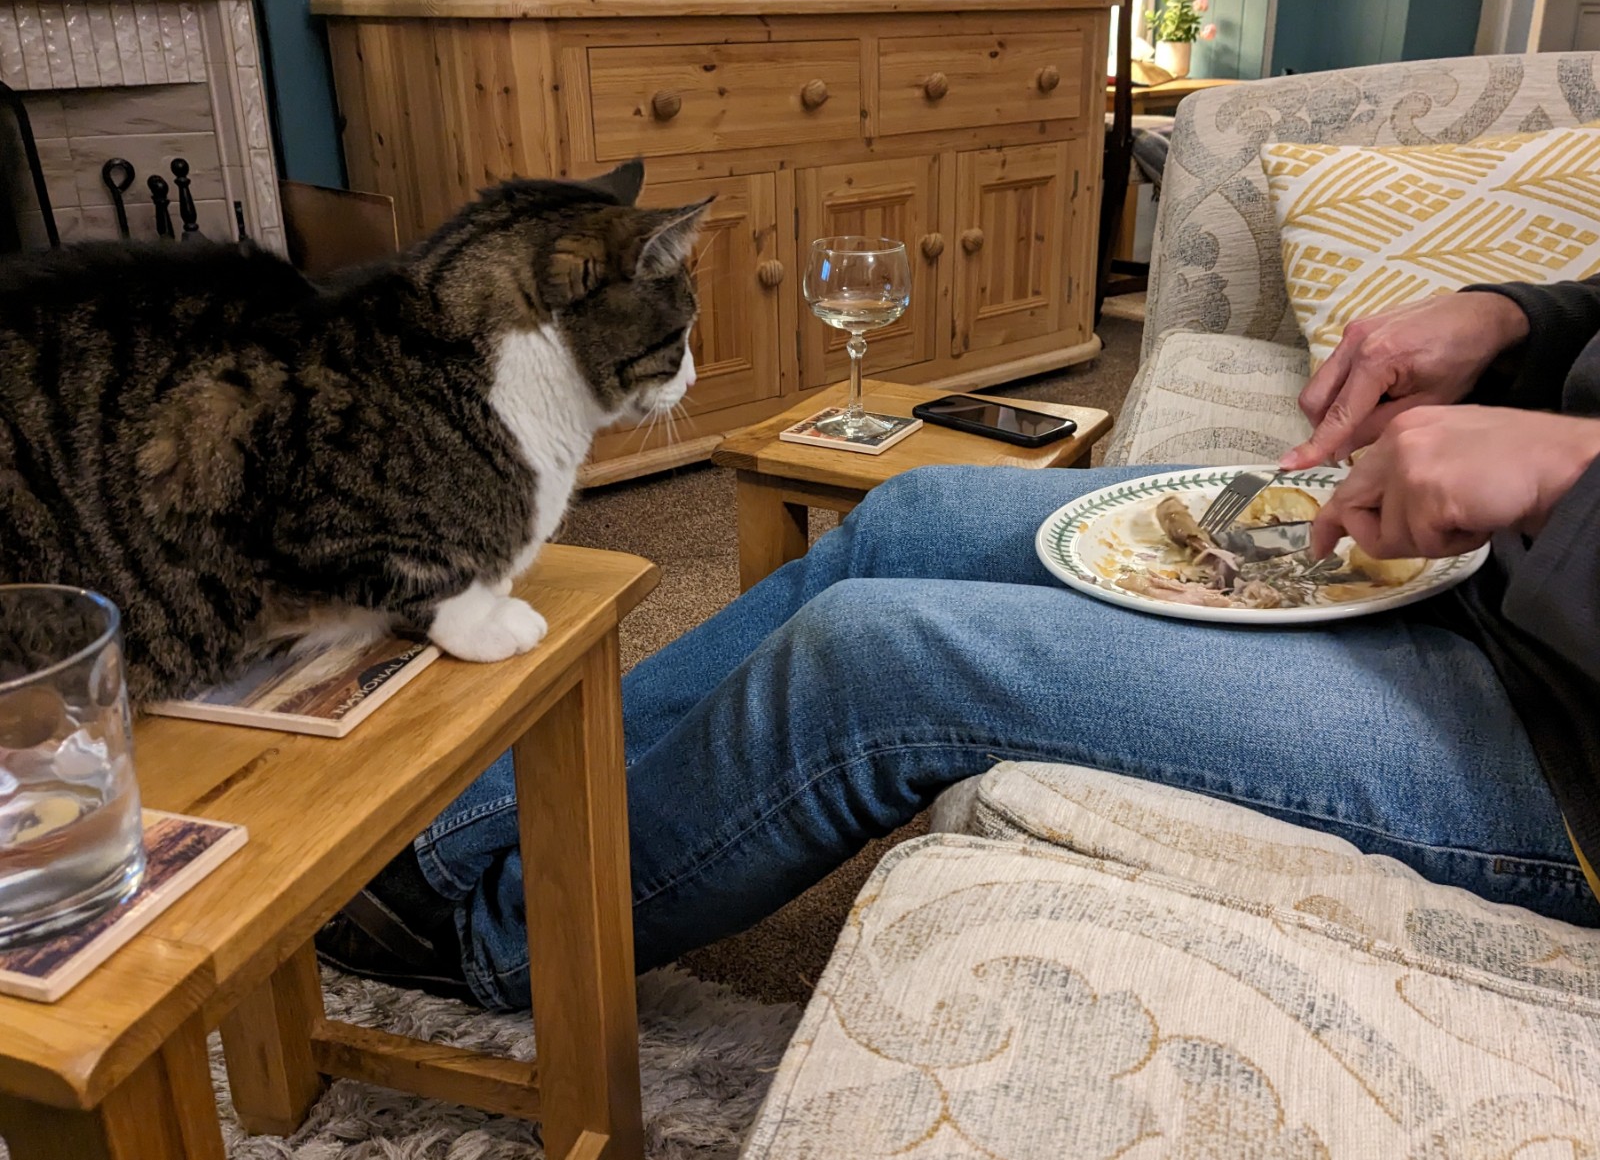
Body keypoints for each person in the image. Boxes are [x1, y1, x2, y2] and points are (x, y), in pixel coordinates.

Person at [318, 276, 1600, 1011]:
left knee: (875, 661)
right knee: (913, 513)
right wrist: (1516, 317)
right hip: (1485, 575)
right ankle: (442, 833)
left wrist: (1572, 471)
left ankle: (502, 937)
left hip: (1561, 749)